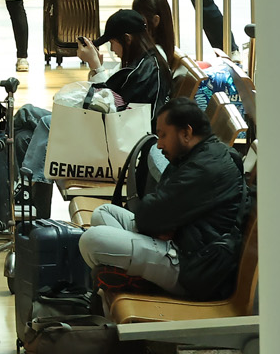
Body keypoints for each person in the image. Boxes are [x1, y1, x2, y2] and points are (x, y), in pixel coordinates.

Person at [78, 98, 250, 296]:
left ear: (186, 133)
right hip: (183, 245)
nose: (159, 145)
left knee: (91, 240)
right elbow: (154, 206)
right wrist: (160, 224)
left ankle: (144, 281)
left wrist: (161, 223)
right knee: (104, 213)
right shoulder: (197, 155)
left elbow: (149, 214)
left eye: (163, 136)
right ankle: (137, 278)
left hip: (192, 266)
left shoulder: (206, 167)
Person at [76, 7, 169, 114]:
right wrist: (97, 67)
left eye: (112, 43)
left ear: (127, 39)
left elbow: (107, 109)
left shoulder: (142, 73)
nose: (111, 49)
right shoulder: (146, 62)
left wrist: (96, 66)